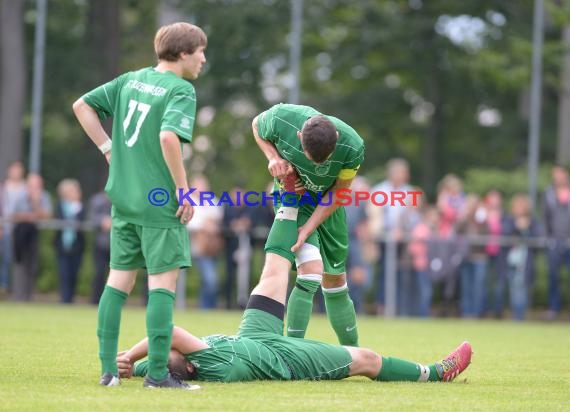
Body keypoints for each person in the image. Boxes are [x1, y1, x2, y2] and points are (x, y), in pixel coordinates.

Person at [116, 235, 472, 385]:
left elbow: (161, 350)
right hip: (285, 360)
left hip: (254, 337)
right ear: (191, 363)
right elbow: (168, 331)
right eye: (180, 350)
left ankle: (287, 198)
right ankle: (435, 372)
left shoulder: (175, 363)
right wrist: (131, 357)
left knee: (273, 271)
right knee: (367, 359)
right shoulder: (210, 364)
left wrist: (124, 366)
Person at [72, 22, 207, 389]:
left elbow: (82, 106)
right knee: (162, 285)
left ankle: (108, 372)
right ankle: (159, 376)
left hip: (124, 199)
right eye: (200, 52)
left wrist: (107, 148)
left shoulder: (130, 79)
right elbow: (167, 137)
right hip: (159, 202)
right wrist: (183, 190)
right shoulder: (181, 89)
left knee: (118, 282)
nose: (203, 59)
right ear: (182, 54)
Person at [251, 103, 365, 347]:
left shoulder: (353, 145)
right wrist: (273, 158)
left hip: (328, 204)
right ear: (299, 136)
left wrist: (310, 226)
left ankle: (353, 353)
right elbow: (257, 126)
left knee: (335, 279)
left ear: (335, 139)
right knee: (311, 272)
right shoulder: (283, 117)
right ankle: (291, 352)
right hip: (295, 199)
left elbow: (341, 193)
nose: (316, 167)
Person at [11, 173, 52, 301]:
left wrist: (35, 202)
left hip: (35, 235)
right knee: (19, 265)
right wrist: (29, 217)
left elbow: (46, 215)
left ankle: (28, 296)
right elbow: (12, 214)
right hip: (20, 234)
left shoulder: (44, 196)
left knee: (32, 265)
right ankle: (18, 296)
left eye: (37, 185)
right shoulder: (19, 195)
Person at [186, 175, 222, 309]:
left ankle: (207, 307)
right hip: (196, 248)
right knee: (210, 279)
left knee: (211, 280)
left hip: (211, 247)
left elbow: (217, 219)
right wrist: (205, 225)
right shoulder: (188, 202)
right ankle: (206, 308)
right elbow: (188, 224)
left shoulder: (212, 201)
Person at [542, 164, 570, 321]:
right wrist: (548, 238)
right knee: (553, 276)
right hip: (554, 241)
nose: (557, 176)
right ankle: (554, 308)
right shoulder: (548, 193)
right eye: (555, 173)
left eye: (560, 173)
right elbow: (545, 216)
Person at [53, 178, 86, 304]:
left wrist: (76, 207)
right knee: (64, 273)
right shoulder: (60, 206)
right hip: (62, 245)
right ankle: (64, 299)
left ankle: (71, 298)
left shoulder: (80, 206)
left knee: (74, 273)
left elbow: (81, 220)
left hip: (77, 245)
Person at [88, 189, 112, 305]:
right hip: (101, 244)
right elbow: (92, 217)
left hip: (116, 245)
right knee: (99, 273)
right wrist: (102, 222)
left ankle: (110, 302)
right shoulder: (98, 201)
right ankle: (96, 300)